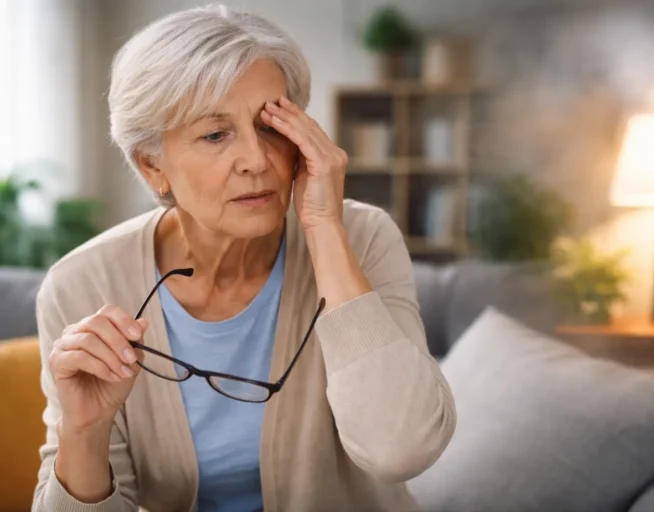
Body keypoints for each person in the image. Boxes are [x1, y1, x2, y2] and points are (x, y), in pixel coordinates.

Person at [31, 5, 456, 512]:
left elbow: (401, 450)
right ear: (152, 166)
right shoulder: (81, 283)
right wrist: (83, 430)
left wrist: (324, 229)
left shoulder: (361, 237)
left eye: (272, 126)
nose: (257, 160)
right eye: (215, 134)